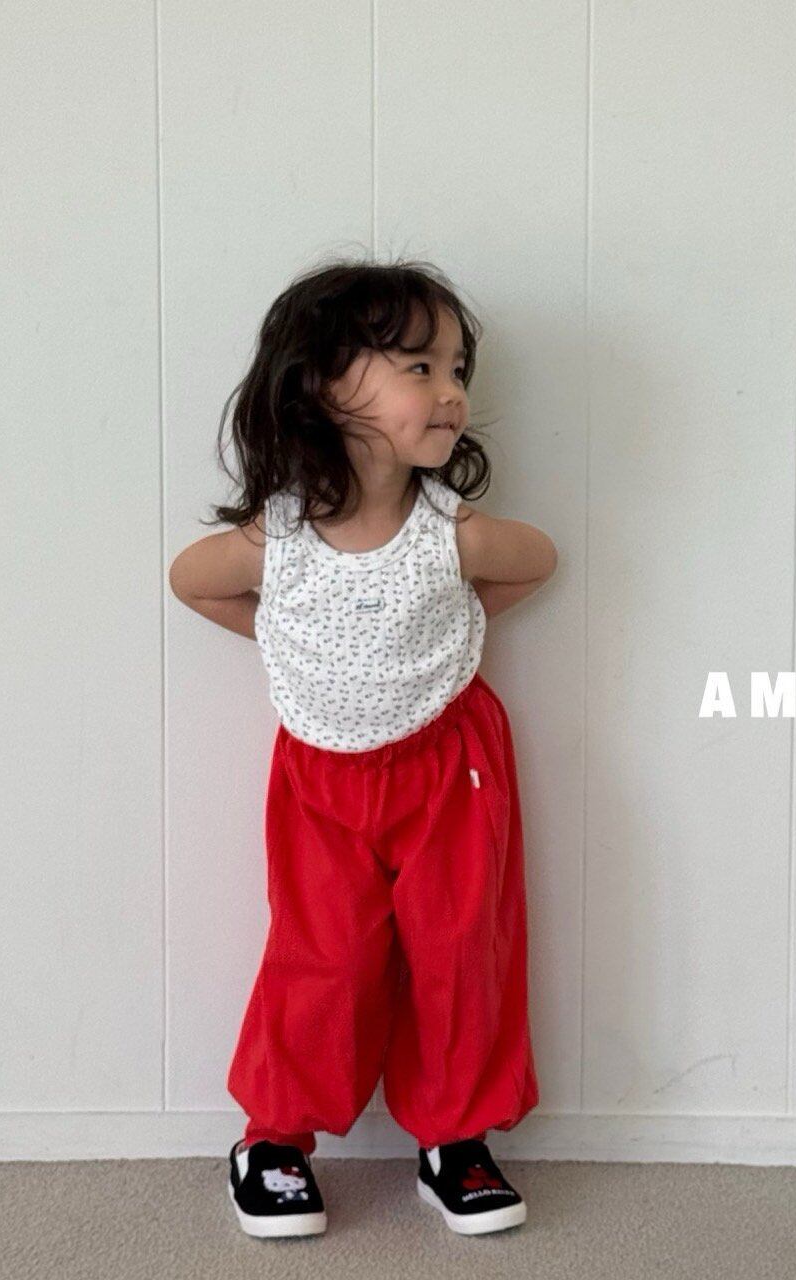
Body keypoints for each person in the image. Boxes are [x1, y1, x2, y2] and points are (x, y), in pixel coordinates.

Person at [168, 255, 555, 1239]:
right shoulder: (278, 537)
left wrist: (448, 635)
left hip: (451, 763)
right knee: (325, 955)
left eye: (456, 368)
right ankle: (272, 1137)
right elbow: (190, 580)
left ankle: (455, 1136)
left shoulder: (451, 532)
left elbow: (536, 561)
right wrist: (292, 644)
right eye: (419, 367)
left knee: (459, 947)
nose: (451, 390)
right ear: (322, 383)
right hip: (322, 775)